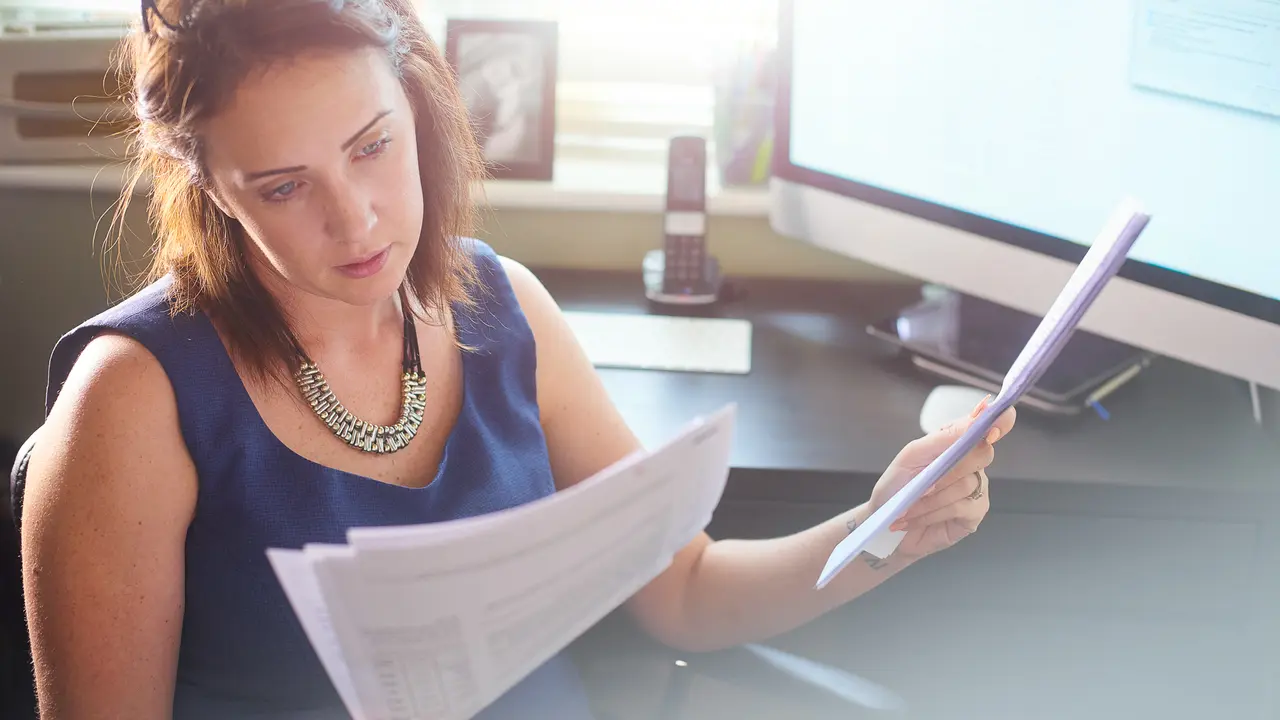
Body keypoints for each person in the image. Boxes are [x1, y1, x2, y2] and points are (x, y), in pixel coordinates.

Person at [16, 1, 1016, 719]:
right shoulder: (133, 402)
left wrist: (883, 532)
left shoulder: (501, 306)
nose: (355, 217)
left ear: (415, 104)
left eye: (372, 146)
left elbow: (683, 591)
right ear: (212, 190)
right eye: (283, 187)